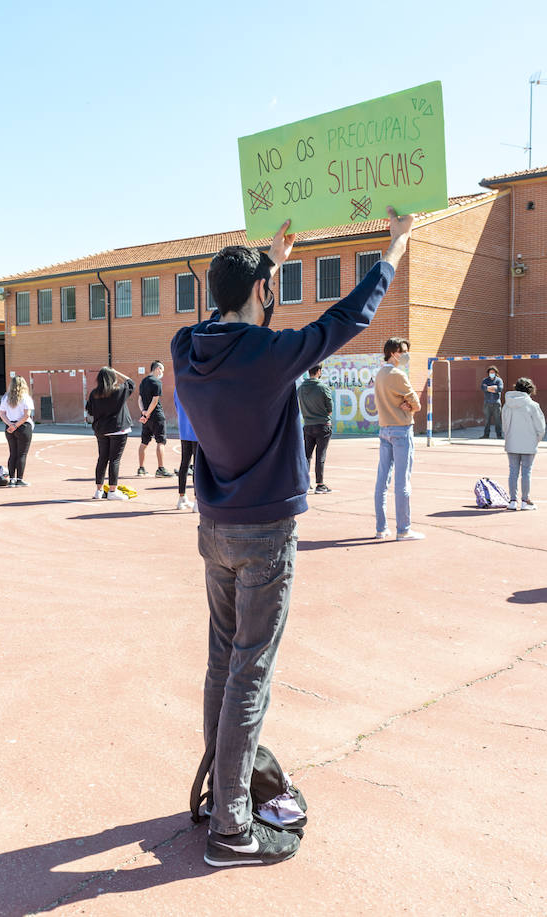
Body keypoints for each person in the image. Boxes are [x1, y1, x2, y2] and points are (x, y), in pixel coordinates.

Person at [173, 210, 412, 868]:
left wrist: (268, 264)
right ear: (260, 296)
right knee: (251, 671)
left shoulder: (185, 347)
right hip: (266, 533)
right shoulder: (270, 357)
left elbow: (238, 322)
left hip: (214, 529)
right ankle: (231, 827)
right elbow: (345, 320)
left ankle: (226, 795)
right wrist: (394, 247)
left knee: (223, 664)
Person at [373, 337, 424, 540]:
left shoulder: (379, 374)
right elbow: (417, 404)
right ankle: (403, 529)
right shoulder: (398, 374)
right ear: (394, 352)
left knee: (382, 481)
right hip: (401, 430)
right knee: (402, 481)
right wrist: (408, 405)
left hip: (384, 429)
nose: (406, 354)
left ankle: (381, 528)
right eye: (403, 351)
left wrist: (407, 403)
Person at [85, 366, 135, 500]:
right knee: (114, 460)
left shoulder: (94, 393)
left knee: (102, 459)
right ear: (112, 377)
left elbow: (89, 411)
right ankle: (112, 491)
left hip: (101, 430)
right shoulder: (119, 390)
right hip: (118, 429)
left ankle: (99, 491)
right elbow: (131, 382)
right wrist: (116, 372)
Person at [502, 377, 546, 510]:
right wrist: (536, 440)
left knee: (513, 472)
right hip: (529, 443)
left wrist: (509, 437)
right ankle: (525, 501)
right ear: (530, 389)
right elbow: (541, 428)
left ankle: (512, 501)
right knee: (526, 472)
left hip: (512, 442)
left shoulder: (507, 404)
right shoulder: (533, 405)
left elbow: (504, 425)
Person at [298, 365, 334, 494]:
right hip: (323, 425)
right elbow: (330, 409)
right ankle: (320, 484)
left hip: (308, 425)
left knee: (307, 455)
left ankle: (305, 483)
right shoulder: (323, 387)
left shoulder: (301, 388)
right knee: (320, 455)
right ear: (319, 371)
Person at [136, 361, 172, 478]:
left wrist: (144, 412)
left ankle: (141, 468)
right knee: (161, 442)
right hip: (156, 416)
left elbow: (140, 399)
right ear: (157, 369)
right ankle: (161, 469)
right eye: (162, 370)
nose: (162, 372)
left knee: (144, 442)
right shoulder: (157, 382)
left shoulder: (143, 382)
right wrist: (147, 414)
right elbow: (155, 400)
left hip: (147, 417)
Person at [0, 374, 34, 486]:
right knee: (22, 454)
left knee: (12, 453)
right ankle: (19, 479)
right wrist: (16, 425)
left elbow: (2, 414)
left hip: (9, 427)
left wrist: (10, 425)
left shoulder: (6, 397)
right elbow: (27, 415)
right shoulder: (25, 397)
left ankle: (11, 479)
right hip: (23, 427)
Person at [174, 389, 197, 511]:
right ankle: (197, 501)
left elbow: (177, 408)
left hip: (184, 430)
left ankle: (181, 498)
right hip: (197, 431)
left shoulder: (178, 388)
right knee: (198, 466)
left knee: (184, 464)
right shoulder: (198, 386)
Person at [480, 365, 504, 439]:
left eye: (493, 372)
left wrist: (488, 388)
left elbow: (499, 388)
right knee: (487, 420)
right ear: (488, 373)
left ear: (496, 373)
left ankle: (499, 435)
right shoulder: (485, 380)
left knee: (498, 420)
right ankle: (486, 435)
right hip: (487, 403)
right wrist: (493, 388)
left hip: (496, 403)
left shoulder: (499, 380)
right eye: (490, 372)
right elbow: (483, 388)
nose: (492, 373)